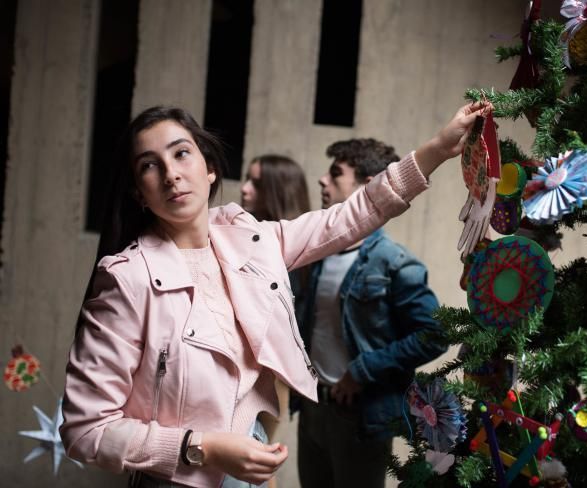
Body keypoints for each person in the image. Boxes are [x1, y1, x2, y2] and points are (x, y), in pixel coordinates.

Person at [60, 101, 487, 488]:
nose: (171, 173)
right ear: (140, 193)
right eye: (150, 166)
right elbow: (85, 430)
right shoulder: (126, 279)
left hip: (252, 460)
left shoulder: (251, 240)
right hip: (178, 478)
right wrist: (201, 447)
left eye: (181, 153)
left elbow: (352, 215)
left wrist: (437, 149)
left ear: (209, 168)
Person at [294, 138, 448, 487]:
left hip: (360, 414)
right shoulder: (317, 253)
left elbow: (434, 334)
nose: (322, 180)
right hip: (314, 406)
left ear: (367, 186)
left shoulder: (394, 262)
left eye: (335, 174)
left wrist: (362, 370)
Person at [240, 154, 311, 488]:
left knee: (256, 462)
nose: (244, 189)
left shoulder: (287, 254)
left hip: (266, 377)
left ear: (277, 191)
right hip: (238, 374)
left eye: (256, 182)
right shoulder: (239, 238)